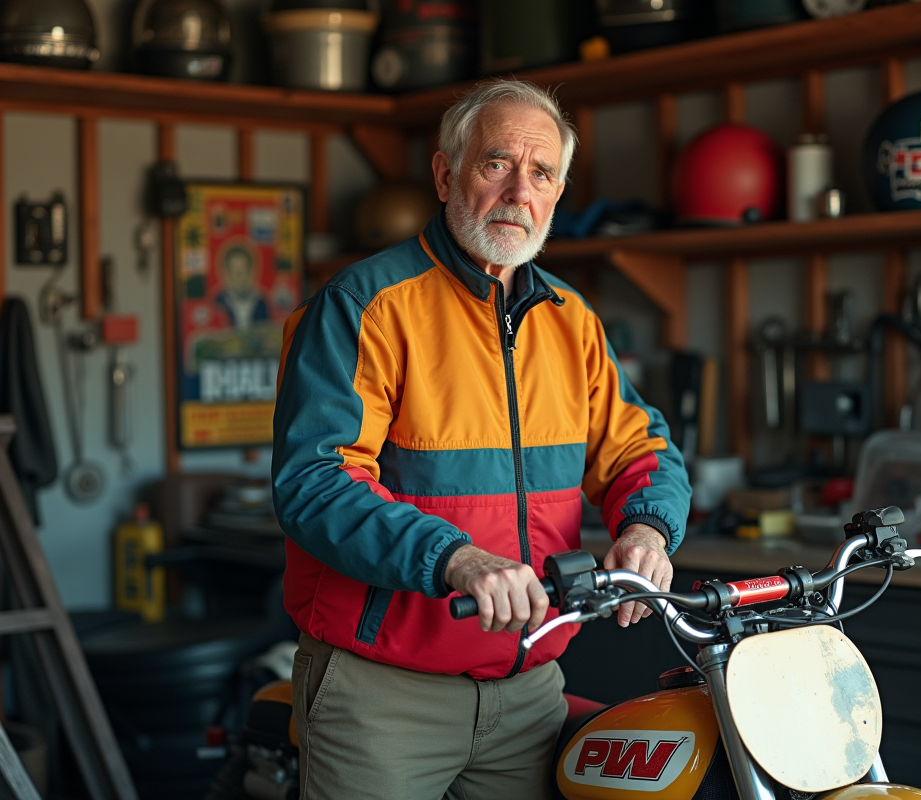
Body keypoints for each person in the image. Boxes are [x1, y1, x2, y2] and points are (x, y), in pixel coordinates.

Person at [271, 79, 691, 800]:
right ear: (445, 175)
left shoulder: (571, 321)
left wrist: (647, 530)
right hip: (383, 697)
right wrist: (456, 559)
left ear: (558, 193)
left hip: (529, 692)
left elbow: (637, 448)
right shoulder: (364, 306)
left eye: (542, 173)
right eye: (497, 164)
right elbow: (315, 482)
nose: (519, 191)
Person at [214, 243, 269, 329]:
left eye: (243, 268)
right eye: (233, 269)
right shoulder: (218, 301)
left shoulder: (261, 301)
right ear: (227, 272)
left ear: (250, 270)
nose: (238, 274)